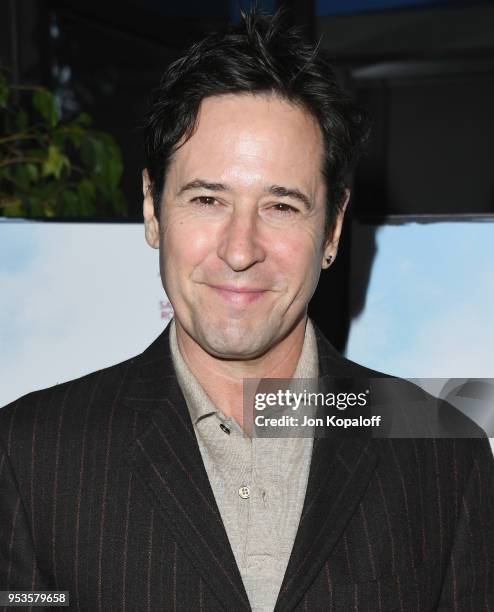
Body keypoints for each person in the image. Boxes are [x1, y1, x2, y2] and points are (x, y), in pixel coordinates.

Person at [1, 9, 493, 611]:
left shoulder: (444, 453)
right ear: (153, 209)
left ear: (332, 229)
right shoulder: (31, 453)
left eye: (282, 207)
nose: (240, 250)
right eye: (207, 198)